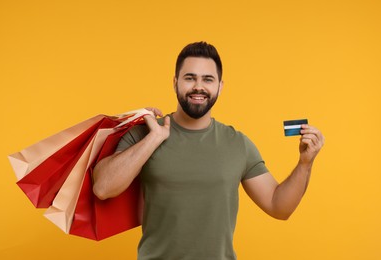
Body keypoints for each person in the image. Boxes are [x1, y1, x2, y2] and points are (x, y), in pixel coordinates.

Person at [92, 42, 325, 260]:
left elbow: (279, 207)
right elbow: (103, 188)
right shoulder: (144, 133)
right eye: (190, 78)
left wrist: (305, 164)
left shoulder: (238, 144)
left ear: (220, 86)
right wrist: (154, 138)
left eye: (208, 79)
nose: (198, 87)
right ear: (175, 82)